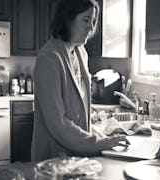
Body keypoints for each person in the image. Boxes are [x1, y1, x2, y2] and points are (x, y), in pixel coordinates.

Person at [31, 0, 129, 162]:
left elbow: (80, 110)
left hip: (77, 156)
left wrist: (100, 135)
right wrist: (99, 143)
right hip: (54, 158)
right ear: (68, 19)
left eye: (93, 21)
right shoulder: (49, 59)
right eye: (86, 20)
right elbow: (58, 124)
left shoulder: (81, 53)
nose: (91, 27)